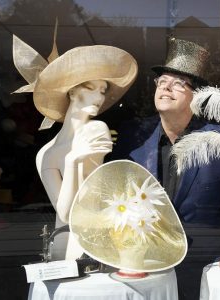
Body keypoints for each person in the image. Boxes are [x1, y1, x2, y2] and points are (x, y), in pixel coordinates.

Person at [112, 37, 220, 299]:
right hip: (144, 262)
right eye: (162, 82)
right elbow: (113, 195)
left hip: (206, 264)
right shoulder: (134, 137)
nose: (166, 88)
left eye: (178, 84)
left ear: (196, 96)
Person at [12, 35, 138, 260]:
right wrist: (72, 162)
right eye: (93, 88)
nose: (100, 96)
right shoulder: (45, 153)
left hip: (94, 241)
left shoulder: (96, 130)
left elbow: (86, 203)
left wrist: (73, 163)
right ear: (72, 92)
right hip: (63, 244)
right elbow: (65, 213)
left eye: (103, 90)